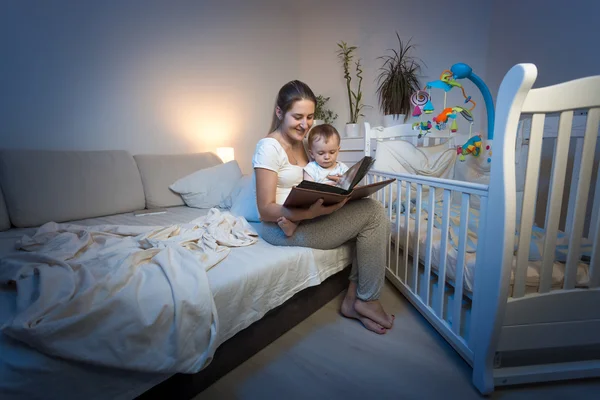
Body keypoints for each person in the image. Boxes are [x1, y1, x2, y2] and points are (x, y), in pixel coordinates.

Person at [252, 80, 394, 334]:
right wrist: (311, 213)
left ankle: (355, 301)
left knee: (369, 207)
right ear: (279, 112)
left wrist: (338, 185)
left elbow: (310, 181)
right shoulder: (268, 147)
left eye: (309, 117)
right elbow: (264, 209)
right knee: (373, 214)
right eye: (297, 117)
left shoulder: (302, 144)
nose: (305, 124)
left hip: (306, 217)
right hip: (281, 228)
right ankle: (365, 299)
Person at [276, 123, 349, 237]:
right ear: (312, 153)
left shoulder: (343, 168)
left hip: (338, 202)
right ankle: (292, 226)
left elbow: (351, 185)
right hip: (316, 203)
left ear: (338, 150)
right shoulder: (311, 168)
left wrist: (344, 183)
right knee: (303, 205)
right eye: (321, 153)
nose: (327, 157)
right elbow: (309, 189)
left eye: (332, 152)